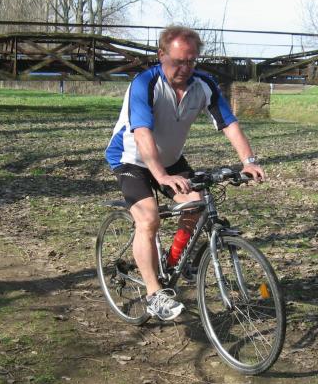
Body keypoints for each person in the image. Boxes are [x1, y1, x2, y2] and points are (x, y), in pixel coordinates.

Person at [105, 25, 265, 321]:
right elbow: (142, 134)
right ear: (161, 55)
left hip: (171, 159)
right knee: (149, 219)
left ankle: (174, 260)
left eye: (191, 61)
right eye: (178, 61)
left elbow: (229, 124)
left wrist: (248, 160)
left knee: (196, 203)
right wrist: (162, 177)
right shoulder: (145, 83)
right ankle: (154, 294)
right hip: (131, 158)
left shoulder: (204, 84)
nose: (185, 68)